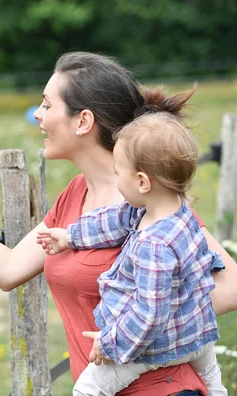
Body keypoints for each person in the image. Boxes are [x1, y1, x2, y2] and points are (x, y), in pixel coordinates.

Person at [0, 52, 237, 395]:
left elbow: (231, 285)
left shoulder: (145, 199)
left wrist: (142, 326)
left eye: (48, 105)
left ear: (83, 121)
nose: (38, 114)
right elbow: (8, 267)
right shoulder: (76, 195)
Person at [35, 111, 227, 395]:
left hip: (159, 345)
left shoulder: (154, 246)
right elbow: (112, 221)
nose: (116, 179)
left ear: (142, 182)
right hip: (196, 334)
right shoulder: (177, 213)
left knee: (87, 388)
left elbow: (148, 316)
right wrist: (70, 236)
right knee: (212, 377)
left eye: (117, 172)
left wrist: (110, 344)